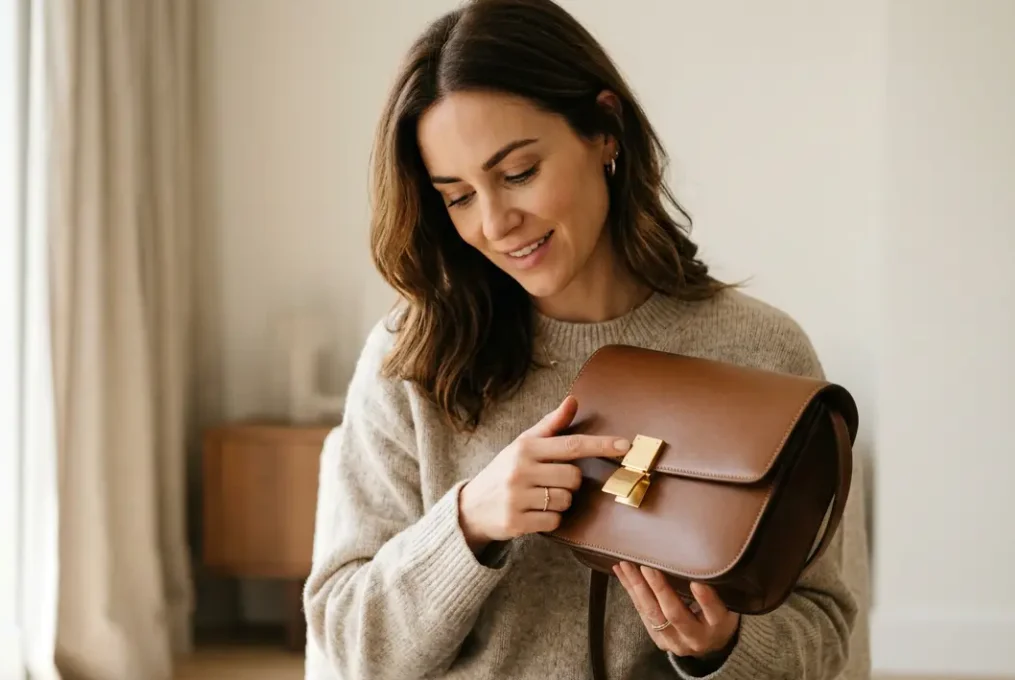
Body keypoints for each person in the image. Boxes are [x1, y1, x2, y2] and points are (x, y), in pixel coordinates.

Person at [301, 0, 872, 677]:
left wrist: (724, 651)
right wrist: (469, 523)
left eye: (518, 173)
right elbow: (350, 646)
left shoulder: (761, 353)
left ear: (605, 129)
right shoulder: (413, 361)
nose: (495, 222)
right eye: (457, 196)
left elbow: (829, 635)